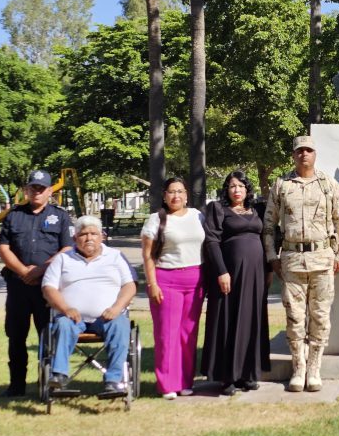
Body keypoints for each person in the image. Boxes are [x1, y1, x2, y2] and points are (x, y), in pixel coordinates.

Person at [263, 135, 339, 392]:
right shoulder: (282, 185)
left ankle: (314, 367)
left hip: (322, 260)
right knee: (294, 318)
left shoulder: (328, 185)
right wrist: (271, 256)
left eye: (309, 151)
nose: (304, 155)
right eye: (299, 151)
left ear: (315, 154)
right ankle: (298, 367)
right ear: (293, 155)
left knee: (320, 317)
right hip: (291, 260)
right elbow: (269, 226)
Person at [0, 169, 74, 397]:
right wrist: (22, 271)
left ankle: (47, 384)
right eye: (33, 188)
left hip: (47, 287)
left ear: (50, 191)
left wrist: (40, 270)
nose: (36, 192)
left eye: (41, 189)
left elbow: (67, 248)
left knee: (47, 335)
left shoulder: (60, 216)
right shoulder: (14, 215)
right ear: (26, 190)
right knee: (16, 336)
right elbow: (3, 247)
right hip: (18, 285)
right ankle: (16, 385)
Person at [42, 216, 136, 397]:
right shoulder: (62, 259)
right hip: (72, 318)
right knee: (62, 324)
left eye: (94, 233)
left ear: (102, 236)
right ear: (75, 238)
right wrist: (65, 308)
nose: (89, 238)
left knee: (120, 325)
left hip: (108, 317)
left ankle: (113, 380)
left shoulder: (115, 257)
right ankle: (59, 375)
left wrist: (117, 307)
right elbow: (48, 288)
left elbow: (130, 285)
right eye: (83, 234)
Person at [201, 170, 270, 395]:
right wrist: (221, 271)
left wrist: (269, 271)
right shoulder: (218, 210)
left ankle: (249, 374)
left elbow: (268, 237)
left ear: (247, 189)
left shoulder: (258, 209)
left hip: (255, 275)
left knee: (252, 319)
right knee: (228, 320)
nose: (237, 190)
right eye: (232, 186)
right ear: (226, 190)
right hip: (229, 275)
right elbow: (211, 241)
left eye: (241, 186)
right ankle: (227, 376)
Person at [141, 177, 206, 400]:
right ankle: (167, 384)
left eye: (180, 191)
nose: (176, 196)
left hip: (195, 280)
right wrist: (152, 284)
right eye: (171, 192)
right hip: (166, 280)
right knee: (167, 334)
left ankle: (185, 382)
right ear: (164, 196)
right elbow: (148, 256)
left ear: (186, 194)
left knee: (188, 334)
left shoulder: (198, 216)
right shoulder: (155, 220)